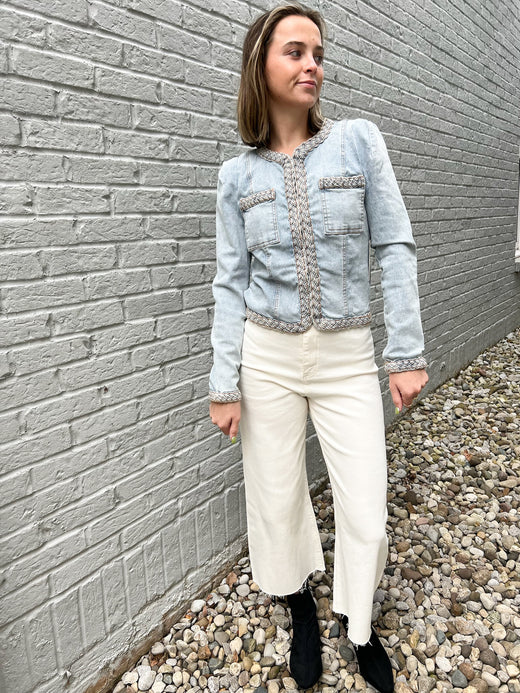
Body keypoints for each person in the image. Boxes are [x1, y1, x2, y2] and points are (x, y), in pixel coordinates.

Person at [208, 4, 428, 692]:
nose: (312, 66)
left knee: (365, 504)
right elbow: (228, 281)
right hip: (266, 354)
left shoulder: (359, 143)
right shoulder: (235, 178)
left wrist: (406, 351)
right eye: (296, 52)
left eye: (318, 54)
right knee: (275, 498)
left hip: (345, 355)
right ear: (261, 65)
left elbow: (393, 243)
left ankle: (358, 627)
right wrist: (225, 380)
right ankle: (300, 604)